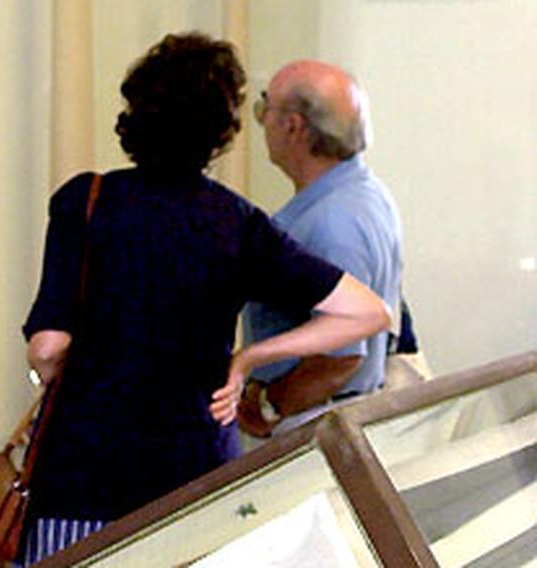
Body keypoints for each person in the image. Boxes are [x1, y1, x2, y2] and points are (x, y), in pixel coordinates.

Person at [20, 35, 390, 566]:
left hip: (85, 465)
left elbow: (49, 345)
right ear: (221, 132)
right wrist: (247, 359)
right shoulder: (236, 222)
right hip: (190, 472)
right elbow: (366, 312)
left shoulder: (86, 200)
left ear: (136, 111)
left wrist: (59, 371)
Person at [238, 60, 403, 437]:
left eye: (266, 107)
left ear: (292, 126)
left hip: (312, 425)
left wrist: (269, 406)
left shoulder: (333, 222)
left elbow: (341, 356)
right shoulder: (365, 194)